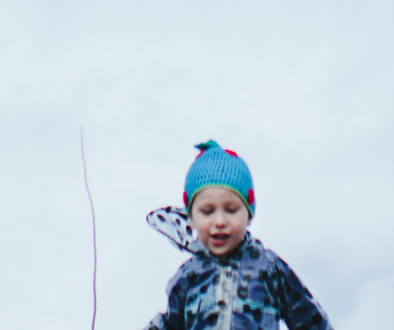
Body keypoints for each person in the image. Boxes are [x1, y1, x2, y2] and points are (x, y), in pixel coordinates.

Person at [142, 140, 332, 330]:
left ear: (248, 215)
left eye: (231, 210)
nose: (220, 222)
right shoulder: (189, 276)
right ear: (191, 218)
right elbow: (170, 324)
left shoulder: (268, 267)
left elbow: (310, 320)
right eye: (207, 211)